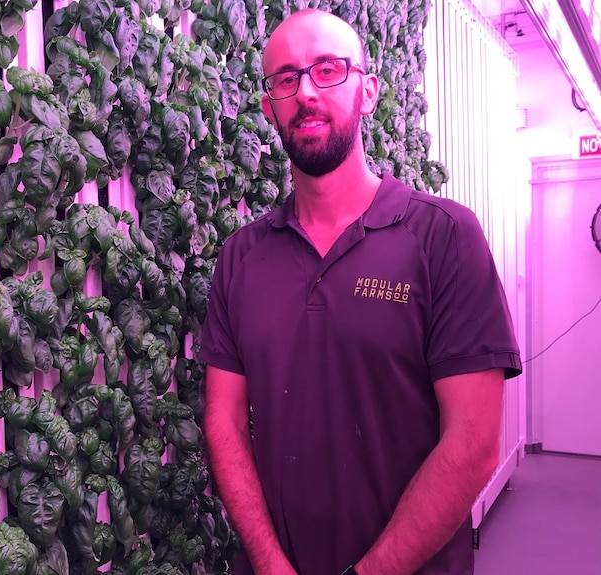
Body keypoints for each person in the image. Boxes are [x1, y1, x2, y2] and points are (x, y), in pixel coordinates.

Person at [199, 8, 522, 575]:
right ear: (271, 107)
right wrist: (270, 563)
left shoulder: (444, 238)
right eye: (285, 79)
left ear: (368, 91)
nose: (306, 93)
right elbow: (223, 422)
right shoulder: (241, 259)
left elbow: (472, 445)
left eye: (328, 70)